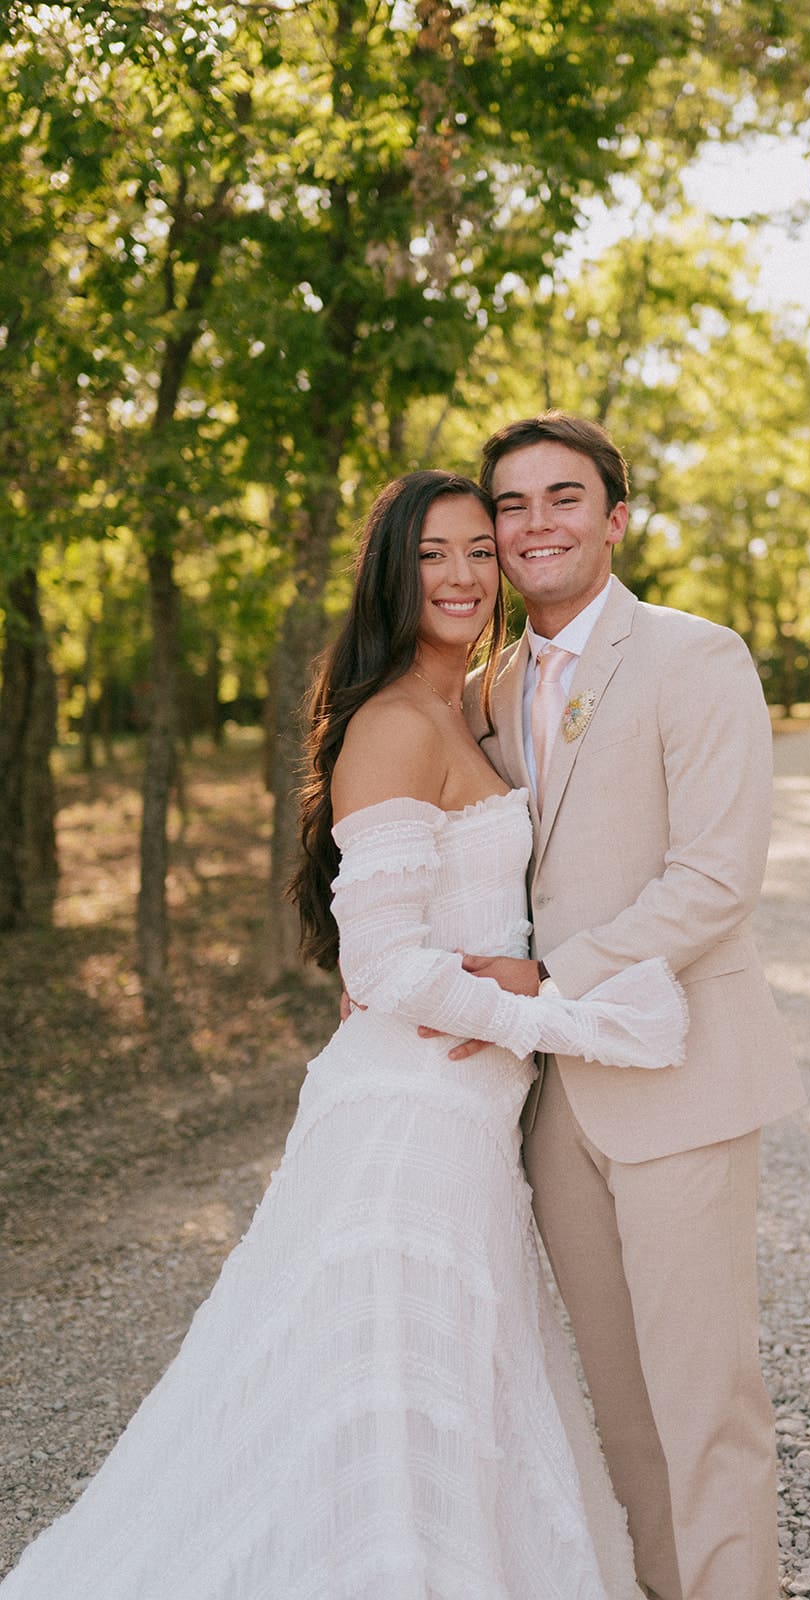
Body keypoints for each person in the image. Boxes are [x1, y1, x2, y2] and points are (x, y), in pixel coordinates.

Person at [0, 470, 688, 1600]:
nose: (464, 576)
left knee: (461, 1386)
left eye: (480, 550)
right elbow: (380, 965)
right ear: (391, 572)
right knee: (376, 1388)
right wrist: (549, 1016)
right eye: (434, 556)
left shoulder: (474, 702)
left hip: (470, 1113)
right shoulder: (390, 721)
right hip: (407, 1113)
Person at [455, 414, 807, 1600]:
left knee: (706, 1400)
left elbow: (715, 877)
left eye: (564, 498)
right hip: (557, 1105)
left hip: (681, 1075)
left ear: (614, 518)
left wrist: (553, 982)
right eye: (512, 504)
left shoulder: (696, 657)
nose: (534, 523)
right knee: (620, 1403)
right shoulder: (491, 686)